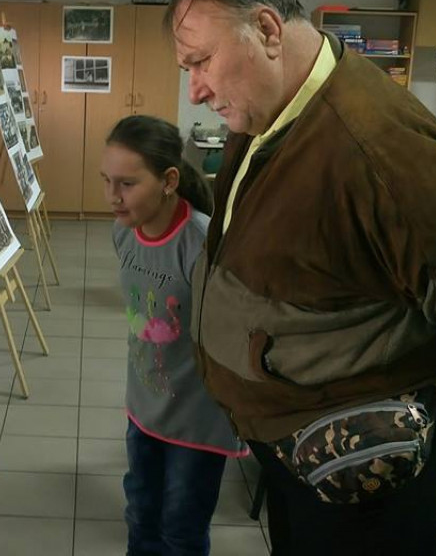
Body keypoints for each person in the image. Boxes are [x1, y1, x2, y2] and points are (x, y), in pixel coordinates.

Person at [166, 0, 436, 555]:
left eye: (201, 62)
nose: (195, 89)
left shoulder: (381, 149)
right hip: (292, 436)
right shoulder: (272, 108)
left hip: (357, 462)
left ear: (269, 31)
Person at [101, 115, 247, 556]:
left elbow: (236, 339)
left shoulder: (203, 244)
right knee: (141, 518)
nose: (112, 197)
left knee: (180, 530)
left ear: (168, 180)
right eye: (106, 181)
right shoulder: (124, 232)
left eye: (127, 184)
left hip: (197, 421)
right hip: (144, 409)